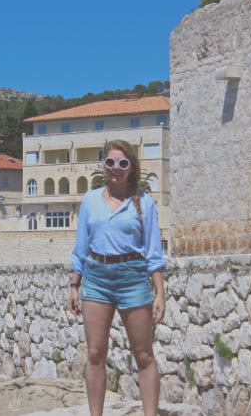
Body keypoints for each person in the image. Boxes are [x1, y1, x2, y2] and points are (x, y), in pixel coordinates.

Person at [68, 140, 166, 416]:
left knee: (144, 354)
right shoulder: (90, 200)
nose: (116, 168)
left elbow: (154, 252)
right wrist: (74, 285)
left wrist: (160, 293)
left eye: (123, 163)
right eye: (110, 162)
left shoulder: (145, 202)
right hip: (96, 278)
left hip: (132, 277)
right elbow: (81, 247)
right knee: (95, 353)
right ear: (104, 165)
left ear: (131, 167)